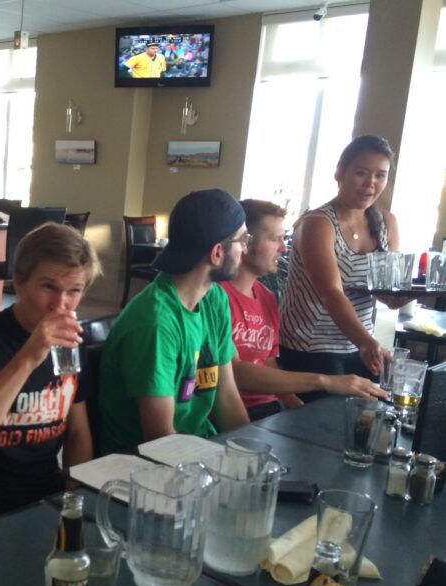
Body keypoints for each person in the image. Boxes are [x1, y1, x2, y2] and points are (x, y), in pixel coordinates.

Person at [0, 223, 99, 528]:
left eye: (74, 291)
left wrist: (73, 503)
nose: (60, 304)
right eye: (48, 286)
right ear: (19, 282)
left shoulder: (73, 340)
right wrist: (30, 355)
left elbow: (78, 432)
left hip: (47, 502)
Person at [99, 189, 250, 454]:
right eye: (242, 239)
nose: (246, 249)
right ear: (217, 253)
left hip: (197, 452)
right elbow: (159, 439)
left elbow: (226, 398)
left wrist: (249, 458)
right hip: (142, 470)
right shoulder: (155, 324)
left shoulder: (214, 299)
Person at [221, 199, 387, 421]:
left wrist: (296, 407)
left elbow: (269, 364)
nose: (284, 247)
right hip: (233, 410)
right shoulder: (217, 297)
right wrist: (325, 381)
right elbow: (235, 371)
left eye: (283, 238)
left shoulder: (267, 298)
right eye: (275, 239)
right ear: (245, 243)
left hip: (269, 408)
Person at [279, 135, 403, 399]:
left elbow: (390, 297)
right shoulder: (318, 223)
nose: (371, 183)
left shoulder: (386, 224)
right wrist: (367, 343)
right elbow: (330, 293)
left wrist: (422, 290)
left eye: (380, 175)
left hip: (359, 347)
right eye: (361, 173)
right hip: (311, 348)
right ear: (340, 172)